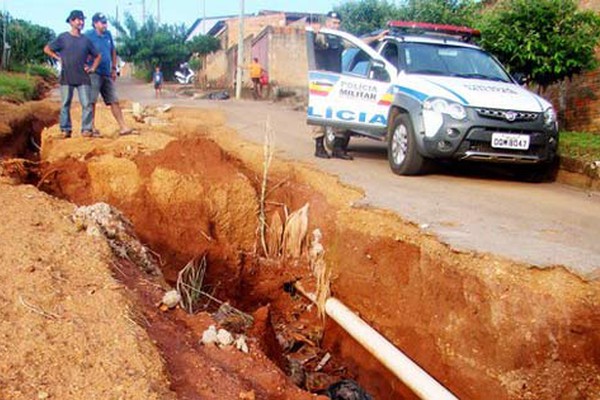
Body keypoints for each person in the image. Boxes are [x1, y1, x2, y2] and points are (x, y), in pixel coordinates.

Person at [311, 11, 388, 160]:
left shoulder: (339, 40)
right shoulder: (320, 35)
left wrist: (377, 38)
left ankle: (338, 149)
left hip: (337, 81)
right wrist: (315, 32)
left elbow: (359, 43)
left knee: (340, 113)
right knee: (320, 114)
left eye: (338, 23)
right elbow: (315, 42)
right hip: (321, 80)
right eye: (333, 23)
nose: (336, 26)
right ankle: (319, 147)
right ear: (327, 23)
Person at [44, 10, 101, 138]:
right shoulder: (63, 38)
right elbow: (47, 49)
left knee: (87, 104)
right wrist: (58, 58)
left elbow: (98, 56)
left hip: (83, 77)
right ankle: (65, 130)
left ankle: (86, 129)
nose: (81, 22)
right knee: (65, 104)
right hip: (66, 77)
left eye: (82, 20)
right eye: (78, 19)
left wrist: (92, 68)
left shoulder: (86, 40)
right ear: (71, 21)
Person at [85, 12, 133, 136]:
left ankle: (123, 126)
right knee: (92, 101)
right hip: (94, 73)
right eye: (102, 22)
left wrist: (113, 68)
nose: (105, 25)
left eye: (106, 22)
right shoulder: (88, 36)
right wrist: (85, 65)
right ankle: (91, 127)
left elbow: (113, 51)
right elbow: (81, 50)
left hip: (107, 73)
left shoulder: (108, 35)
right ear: (95, 23)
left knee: (114, 100)